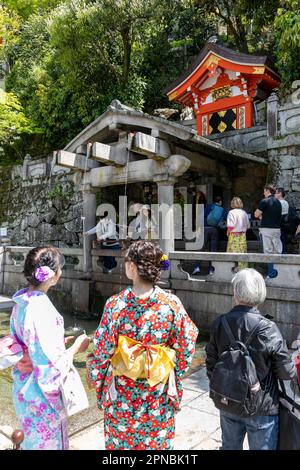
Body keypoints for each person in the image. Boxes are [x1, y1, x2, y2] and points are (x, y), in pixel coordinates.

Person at [88, 240, 198, 450]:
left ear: (132, 267)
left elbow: (102, 352)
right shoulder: (171, 304)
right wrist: (173, 372)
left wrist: (97, 383)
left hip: (123, 395)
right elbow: (187, 343)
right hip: (158, 392)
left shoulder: (116, 304)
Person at [206, 268, 296, 450]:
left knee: (230, 447)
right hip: (261, 406)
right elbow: (286, 372)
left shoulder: (220, 323)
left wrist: (227, 384)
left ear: (235, 292)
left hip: (228, 400)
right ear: (261, 293)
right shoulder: (268, 328)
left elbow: (211, 364)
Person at [9, 246, 90, 450]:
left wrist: (59, 343)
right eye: (60, 269)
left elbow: (32, 343)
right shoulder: (42, 308)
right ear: (53, 275)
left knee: (30, 441)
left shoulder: (22, 302)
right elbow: (52, 366)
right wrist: (75, 349)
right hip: (41, 396)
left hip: (23, 388)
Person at [192, 196, 227, 276]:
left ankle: (197, 267)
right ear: (220, 202)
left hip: (205, 229)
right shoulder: (223, 210)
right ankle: (211, 270)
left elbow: (201, 216)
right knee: (213, 250)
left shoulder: (208, 207)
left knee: (201, 248)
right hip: (215, 230)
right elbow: (225, 219)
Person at [254, 185, 282, 279]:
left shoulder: (264, 201)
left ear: (268, 191)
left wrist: (262, 216)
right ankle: (278, 272)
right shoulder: (278, 202)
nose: (263, 193)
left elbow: (256, 214)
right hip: (277, 229)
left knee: (268, 252)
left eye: (264, 191)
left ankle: (271, 274)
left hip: (267, 229)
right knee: (277, 251)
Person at [226, 197, 250, 271]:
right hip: (242, 235)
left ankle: (232, 269)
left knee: (232, 253)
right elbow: (248, 226)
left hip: (233, 235)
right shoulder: (244, 213)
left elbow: (231, 225)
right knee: (242, 252)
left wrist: (228, 231)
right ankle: (243, 269)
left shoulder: (231, 212)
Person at [275, 187, 289, 253]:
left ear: (280, 193)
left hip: (279, 225)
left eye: (276, 193)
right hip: (282, 225)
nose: (274, 194)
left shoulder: (281, 202)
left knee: (280, 242)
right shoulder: (284, 202)